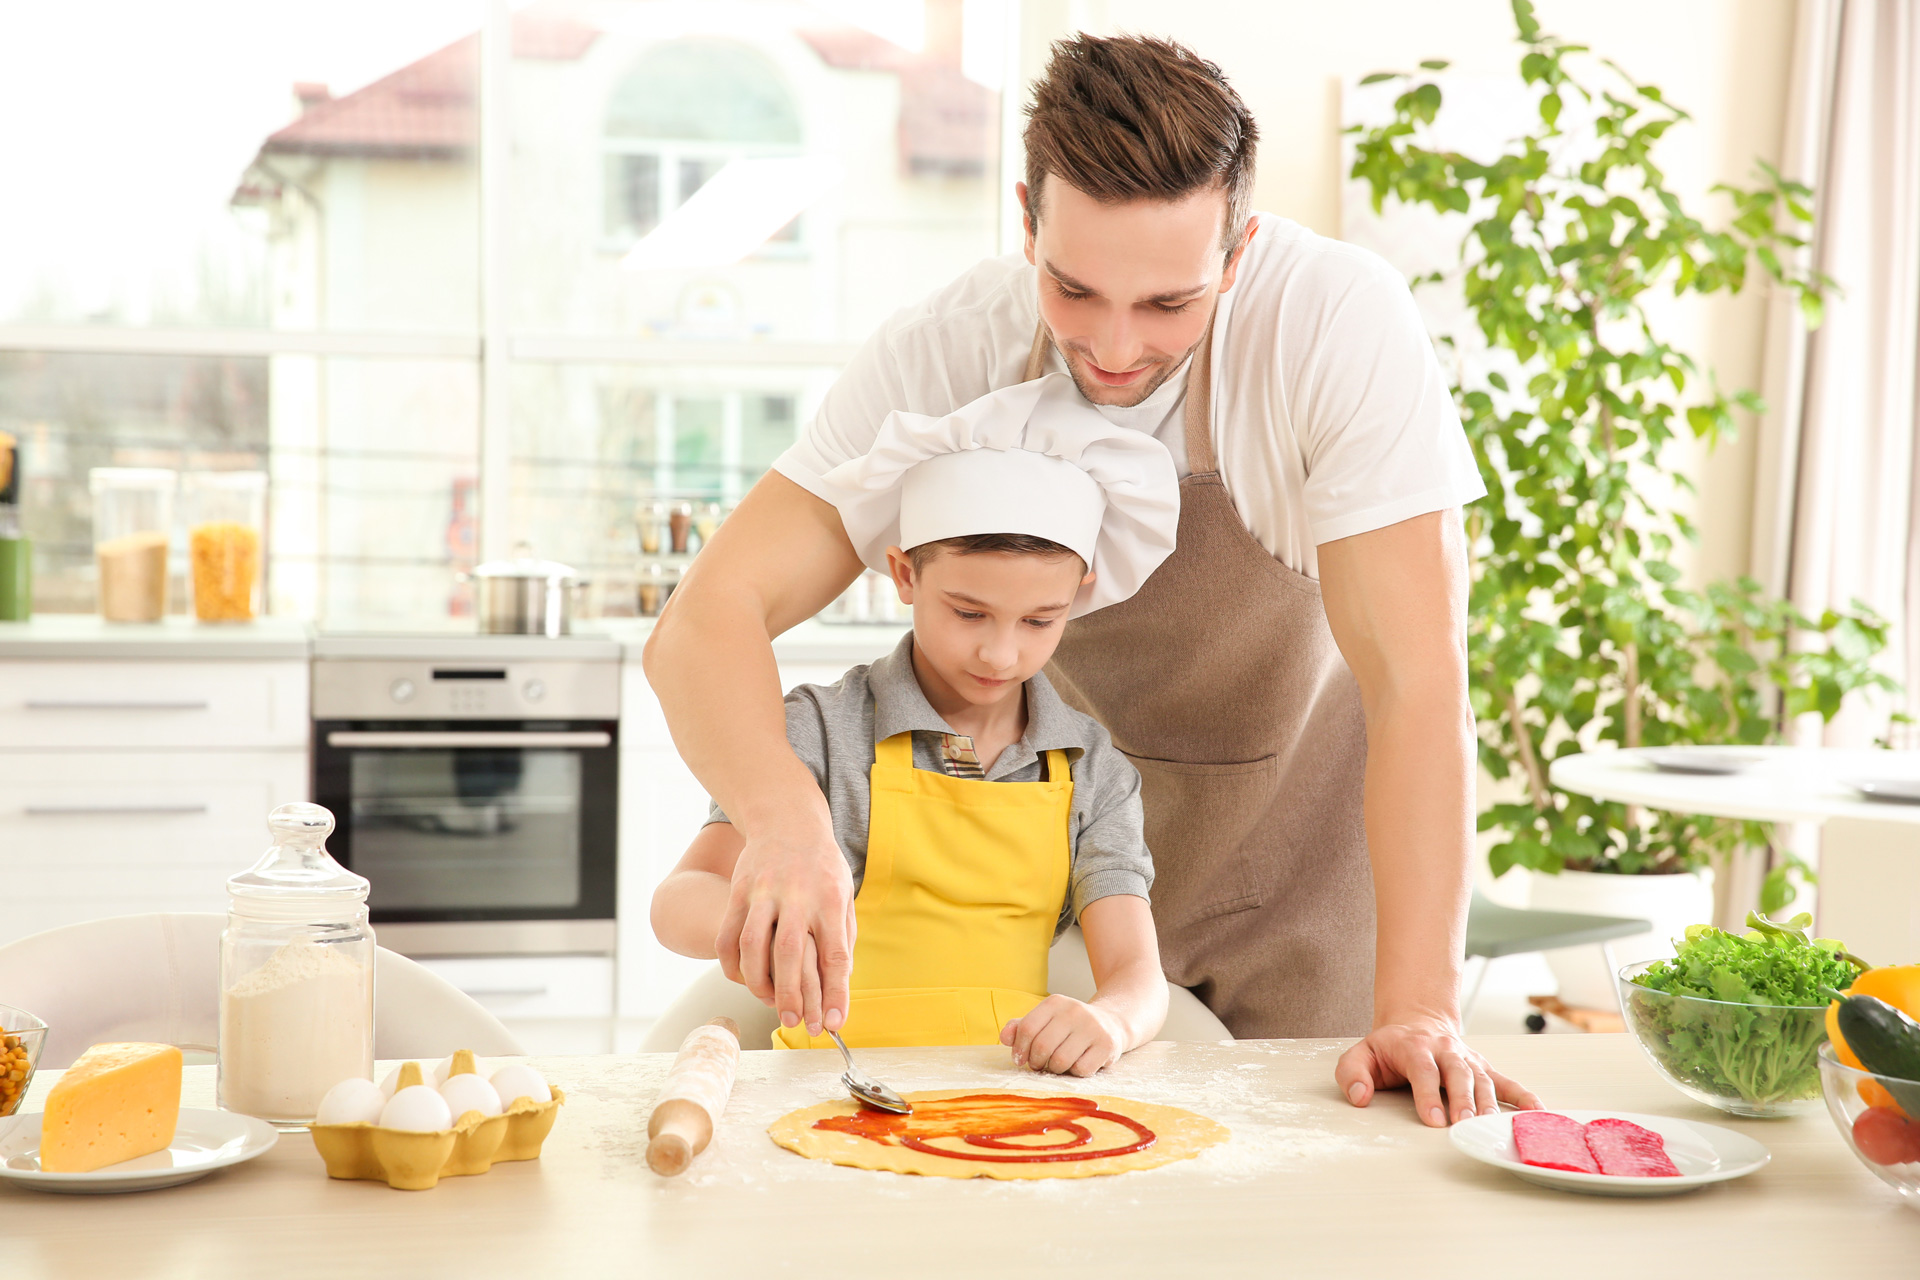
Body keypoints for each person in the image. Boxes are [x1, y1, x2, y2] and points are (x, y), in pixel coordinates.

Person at [645, 34, 1540, 1124]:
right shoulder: (948, 350)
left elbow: (1417, 681)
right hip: (1062, 910)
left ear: (1240, 249)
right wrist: (786, 824)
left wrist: (1423, 1006)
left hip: (1304, 889)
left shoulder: (1333, 328)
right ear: (1026, 219)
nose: (1115, 347)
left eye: (1170, 304)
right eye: (1074, 289)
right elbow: (703, 622)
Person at [650, 375, 1178, 1075]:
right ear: (903, 575)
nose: (1000, 652)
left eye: (1039, 621)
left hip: (1008, 1101)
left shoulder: (1090, 767)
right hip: (823, 1091)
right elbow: (677, 901)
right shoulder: (821, 729)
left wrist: (1110, 1021)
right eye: (968, 613)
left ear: (1078, 595)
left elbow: (1139, 978)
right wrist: (764, 922)